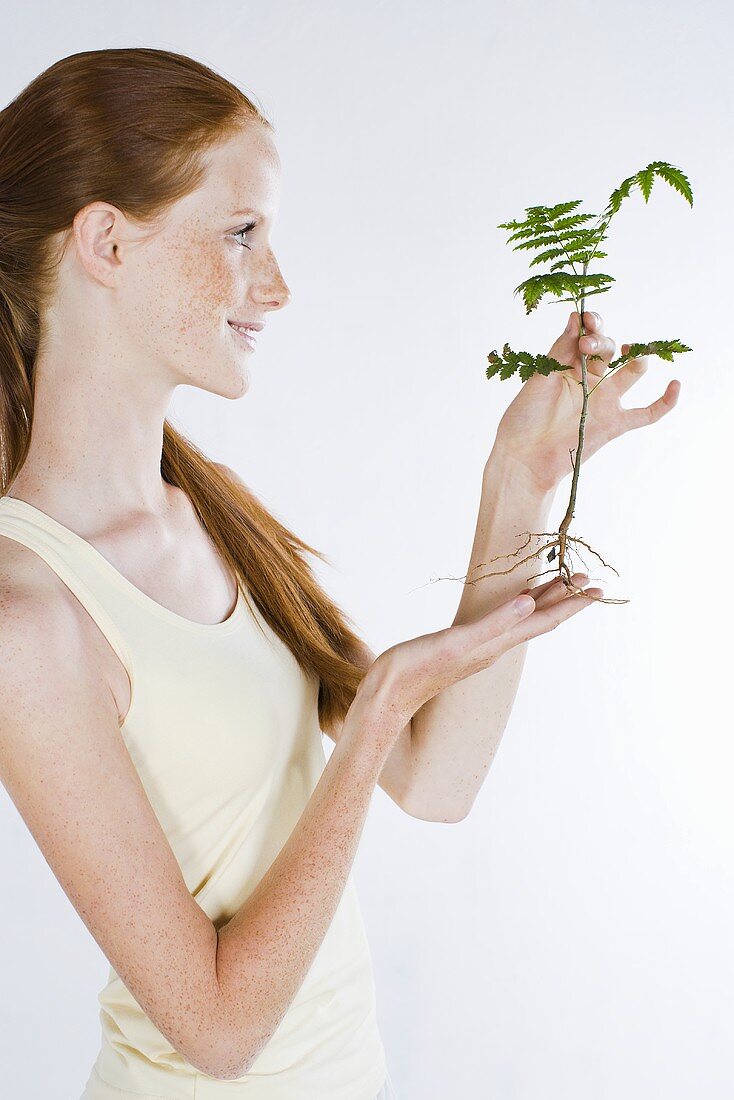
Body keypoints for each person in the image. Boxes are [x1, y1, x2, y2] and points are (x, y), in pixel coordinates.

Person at [0, 47, 678, 1100]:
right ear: (104, 240)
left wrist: (516, 483)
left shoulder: (206, 509)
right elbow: (217, 1030)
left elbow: (434, 778)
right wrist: (375, 712)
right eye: (241, 231)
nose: (276, 283)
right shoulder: (29, 614)